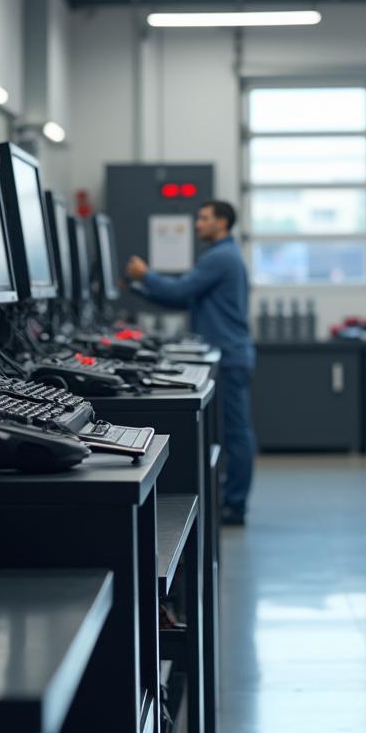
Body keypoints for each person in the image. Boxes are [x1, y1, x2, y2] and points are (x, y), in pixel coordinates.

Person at [125, 200, 256, 526]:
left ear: (222, 223)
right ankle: (232, 498)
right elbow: (181, 297)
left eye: (204, 218)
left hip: (228, 354)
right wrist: (139, 287)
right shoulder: (222, 257)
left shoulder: (220, 257)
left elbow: (181, 287)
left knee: (236, 433)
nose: (197, 224)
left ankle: (235, 505)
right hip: (228, 352)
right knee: (233, 431)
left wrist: (146, 274)